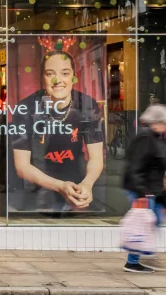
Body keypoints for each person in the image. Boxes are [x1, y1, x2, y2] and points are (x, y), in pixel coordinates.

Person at [11, 45, 105, 213]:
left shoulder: (87, 106)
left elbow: (96, 157)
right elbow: (22, 167)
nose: (57, 80)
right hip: (37, 191)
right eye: (50, 74)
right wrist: (60, 186)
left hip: (77, 187)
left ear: (73, 77)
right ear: (42, 78)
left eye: (65, 73)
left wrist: (87, 184)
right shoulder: (26, 108)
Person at [122, 104, 166, 274]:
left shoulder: (155, 138)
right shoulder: (146, 138)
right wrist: (141, 192)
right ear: (156, 122)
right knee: (144, 224)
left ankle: (142, 256)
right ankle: (136, 260)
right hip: (143, 189)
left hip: (152, 189)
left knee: (153, 221)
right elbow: (135, 166)